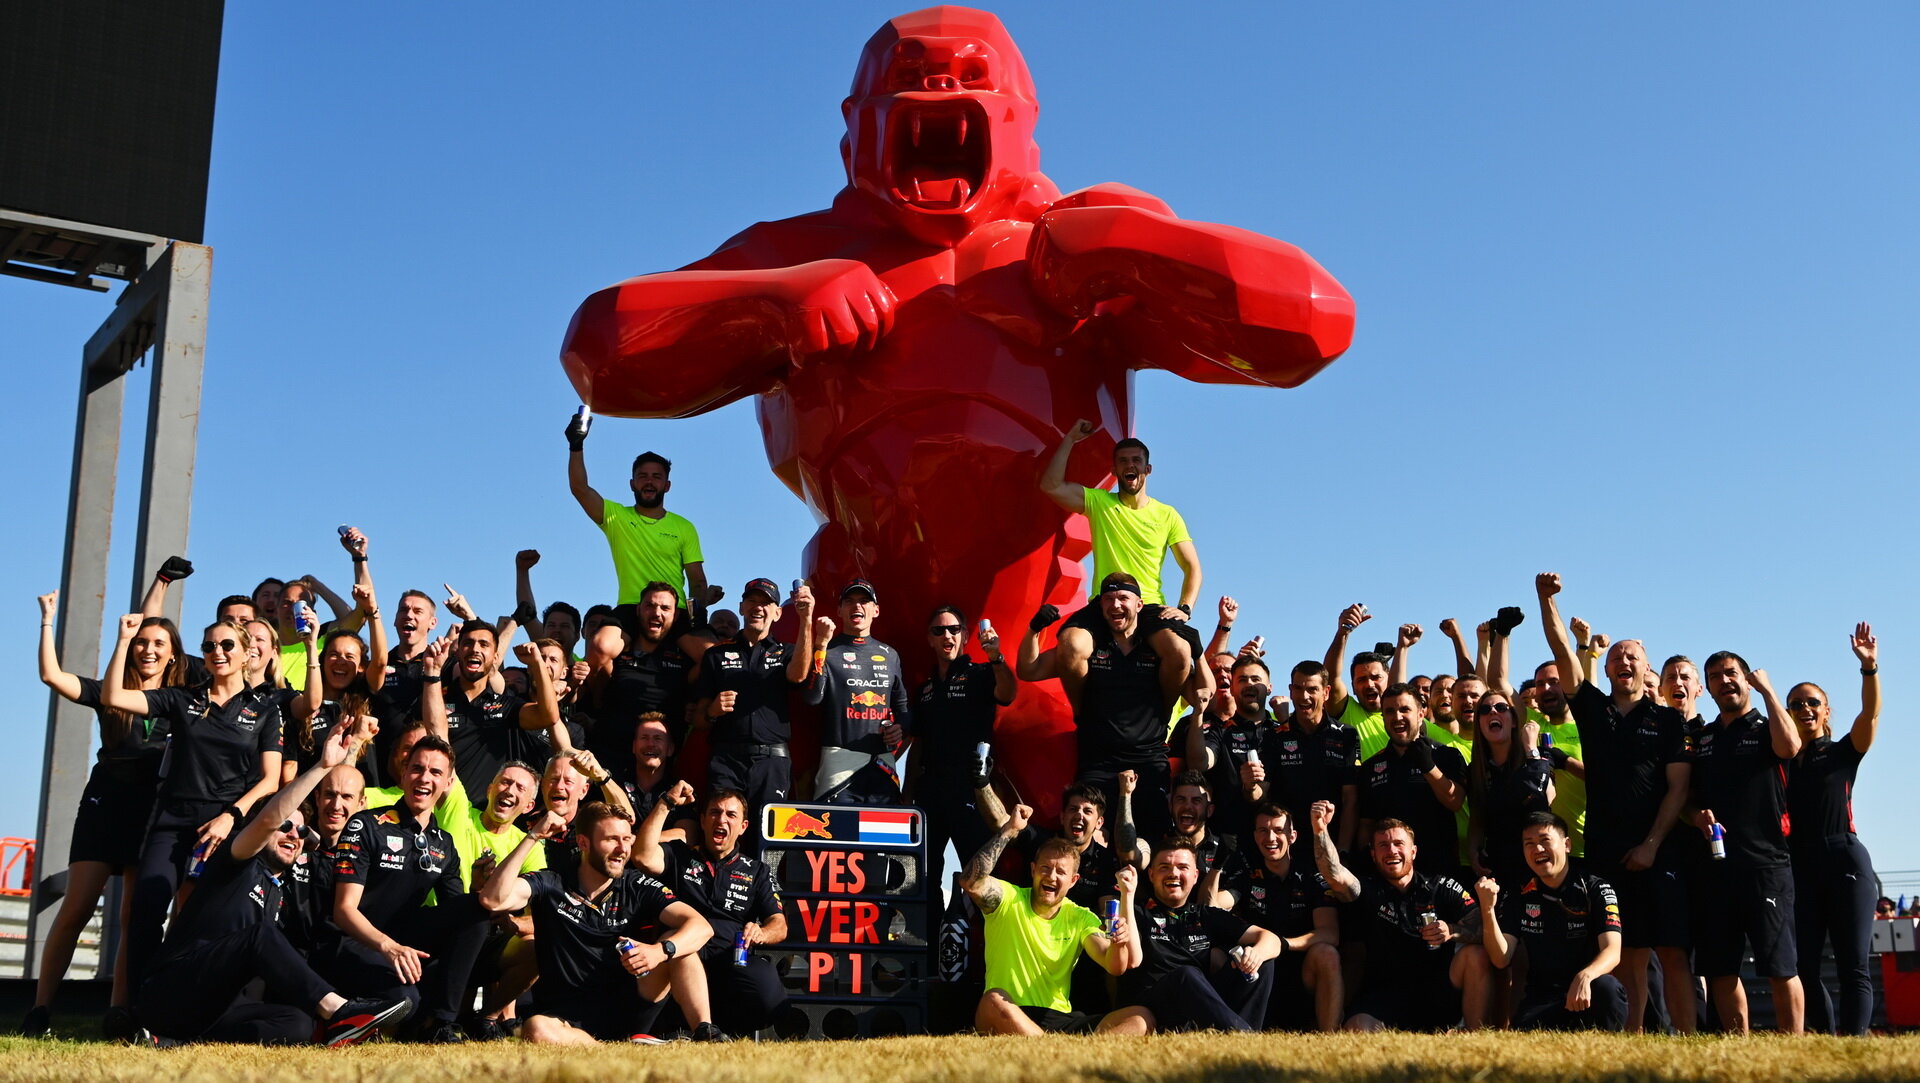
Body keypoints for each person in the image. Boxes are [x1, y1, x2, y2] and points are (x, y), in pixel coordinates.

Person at [133, 726, 410, 1046]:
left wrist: (308, 835)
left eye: (300, 831)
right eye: (285, 827)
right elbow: (268, 819)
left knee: (298, 1024)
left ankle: (172, 1041)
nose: (293, 833)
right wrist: (322, 766)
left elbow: (323, 836)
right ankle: (340, 1011)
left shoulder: (283, 886)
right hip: (172, 989)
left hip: (212, 1009)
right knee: (261, 935)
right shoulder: (236, 860)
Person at [1536, 572, 1697, 1034]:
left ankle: (1688, 1041)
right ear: (1605, 671)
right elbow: (1562, 650)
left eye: (1633, 656)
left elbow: (1679, 789)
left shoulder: (1668, 721)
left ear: (1646, 671)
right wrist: (1546, 601)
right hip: (1607, 851)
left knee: (1672, 951)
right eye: (1616, 657)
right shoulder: (1592, 709)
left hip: (1660, 850)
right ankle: (1635, 1038)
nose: (1624, 660)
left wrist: (1651, 843)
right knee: (1627, 951)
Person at [98, 614, 286, 1000]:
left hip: (226, 824)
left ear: (248, 652)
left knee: (210, 920)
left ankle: (198, 1008)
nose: (217, 652)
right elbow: (113, 697)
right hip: (172, 821)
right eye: (209, 647)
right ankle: (139, 1010)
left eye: (226, 645)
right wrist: (123, 641)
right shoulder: (183, 698)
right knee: (145, 912)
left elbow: (270, 779)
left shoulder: (265, 709)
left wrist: (230, 816)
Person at [28, 593, 187, 1037]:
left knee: (134, 916)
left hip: (153, 811)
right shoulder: (111, 690)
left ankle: (120, 1011)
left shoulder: (183, 699)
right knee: (77, 907)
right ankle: (40, 1009)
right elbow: (51, 676)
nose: (148, 650)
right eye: (142, 642)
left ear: (174, 653)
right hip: (105, 805)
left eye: (159, 643)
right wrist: (47, 621)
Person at [480, 801, 722, 1044]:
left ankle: (706, 1033)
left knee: (681, 947)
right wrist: (533, 836)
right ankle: (614, 1051)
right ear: (584, 843)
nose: (622, 849)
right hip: (566, 1016)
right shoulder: (552, 882)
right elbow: (493, 899)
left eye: (627, 839)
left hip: (629, 1007)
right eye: (611, 840)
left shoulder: (636, 884)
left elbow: (701, 926)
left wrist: (660, 951)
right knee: (536, 1028)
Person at [326, 735, 489, 1042]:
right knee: (407, 1000)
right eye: (417, 768)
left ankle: (441, 1024)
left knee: (476, 910)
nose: (424, 778)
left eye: (435, 772)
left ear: (448, 782)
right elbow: (343, 910)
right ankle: (352, 1016)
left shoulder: (444, 844)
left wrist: (481, 893)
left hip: (407, 946)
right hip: (355, 942)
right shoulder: (366, 825)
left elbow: (455, 920)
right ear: (403, 773)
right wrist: (388, 946)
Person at [1039, 425, 1209, 714]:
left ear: (1148, 468)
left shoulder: (1167, 514)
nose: (1130, 466)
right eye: (1123, 461)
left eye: (1136, 461)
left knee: (1180, 653)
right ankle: (1084, 716)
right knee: (1070, 645)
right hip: (1104, 604)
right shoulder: (1099, 502)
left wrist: (1185, 608)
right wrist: (1070, 440)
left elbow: (1193, 568)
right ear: (1115, 469)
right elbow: (1051, 486)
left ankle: (1160, 717)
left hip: (1149, 605)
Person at [1690, 651, 1805, 1034]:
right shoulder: (1704, 737)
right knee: (1720, 969)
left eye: (1731, 673)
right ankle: (1737, 1045)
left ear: (1746, 680)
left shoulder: (1765, 725)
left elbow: (1790, 747)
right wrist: (1696, 817)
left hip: (1765, 866)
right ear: (1707, 688)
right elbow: (1687, 800)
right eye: (1715, 677)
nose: (1725, 681)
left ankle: (1793, 1048)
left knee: (1780, 967)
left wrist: (1769, 692)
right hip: (1714, 869)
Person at [962, 802, 1142, 1035]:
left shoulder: (1079, 916)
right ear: (1033, 870)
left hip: (1058, 1019)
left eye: (1061, 872)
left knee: (1139, 1018)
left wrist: (1118, 942)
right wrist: (1010, 829)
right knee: (993, 999)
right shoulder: (1009, 898)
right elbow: (970, 881)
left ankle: (1053, 1050)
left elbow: (1114, 966)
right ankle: (1052, 1052)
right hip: (1009, 1011)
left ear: (1073, 880)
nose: (1052, 876)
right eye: (1045, 868)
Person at [1019, 573, 1175, 843]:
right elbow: (1028, 669)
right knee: (1090, 843)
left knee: (1153, 844)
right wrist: (1034, 629)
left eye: (1123, 598)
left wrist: (1194, 648)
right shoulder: (1092, 647)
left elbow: (1196, 684)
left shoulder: (1155, 648)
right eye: (1109, 599)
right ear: (1100, 606)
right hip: (1098, 762)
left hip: (1147, 761)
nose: (1116, 605)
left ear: (1139, 604)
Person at [1311, 803, 1491, 1031]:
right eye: (1383, 845)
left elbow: (1483, 930)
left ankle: (1474, 1036)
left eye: (1398, 844)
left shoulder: (1441, 886)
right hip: (1387, 992)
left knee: (1476, 954)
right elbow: (1334, 873)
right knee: (1357, 1027)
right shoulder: (1367, 888)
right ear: (1374, 855)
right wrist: (1320, 829)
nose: (1392, 851)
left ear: (1413, 851)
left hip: (1439, 990)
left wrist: (1453, 931)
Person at [634, 784, 788, 1036]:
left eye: (731, 815)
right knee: (682, 949)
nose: (722, 820)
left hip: (732, 959)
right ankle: (699, 1030)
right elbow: (642, 856)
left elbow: (779, 925)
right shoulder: (679, 855)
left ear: (743, 827)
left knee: (769, 999)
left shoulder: (757, 871)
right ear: (703, 821)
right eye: (715, 813)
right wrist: (666, 803)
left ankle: (727, 1030)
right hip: (682, 956)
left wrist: (762, 932)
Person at [1787, 623, 1880, 1035]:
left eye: (1811, 702)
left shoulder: (1843, 752)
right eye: (1795, 704)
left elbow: (1870, 714)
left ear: (1826, 710)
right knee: (1803, 966)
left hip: (1845, 860)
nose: (1804, 709)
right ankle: (1824, 1041)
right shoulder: (1781, 763)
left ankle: (1855, 1045)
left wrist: (1869, 668)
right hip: (1801, 866)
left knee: (1852, 965)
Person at [1110, 839, 1281, 1033]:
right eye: (1164, 867)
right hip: (1153, 1007)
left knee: (1263, 964)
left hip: (1200, 1005)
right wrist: (1128, 893)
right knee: (1186, 974)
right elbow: (1130, 961)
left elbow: (1271, 939)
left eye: (1182, 867)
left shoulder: (1205, 915)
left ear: (1195, 876)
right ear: (1151, 874)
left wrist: (1256, 954)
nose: (1174, 873)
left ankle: (1240, 1037)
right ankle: (1243, 1037)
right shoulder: (1135, 912)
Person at [1477, 813, 1626, 1031]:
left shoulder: (1595, 888)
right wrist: (1487, 909)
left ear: (1566, 845)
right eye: (1529, 844)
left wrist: (1586, 975)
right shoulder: (1519, 893)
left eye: (1545, 841)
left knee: (1608, 988)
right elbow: (1501, 958)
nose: (1537, 849)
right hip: (1544, 996)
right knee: (1525, 1041)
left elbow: (1613, 951)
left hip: (1589, 989)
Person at [693, 578, 817, 840]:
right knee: (720, 833)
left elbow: (798, 677)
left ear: (778, 613)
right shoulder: (716, 655)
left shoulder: (788, 652)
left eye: (766, 603)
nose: (758, 607)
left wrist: (806, 619)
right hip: (726, 758)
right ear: (741, 607)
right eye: (752, 601)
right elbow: (699, 718)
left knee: (771, 837)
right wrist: (712, 711)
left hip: (772, 761)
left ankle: (765, 882)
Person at [565, 421, 720, 623]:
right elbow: (580, 489)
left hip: (674, 610)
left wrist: (696, 616)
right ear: (632, 484)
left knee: (706, 653)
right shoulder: (616, 516)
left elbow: (697, 580)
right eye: (642, 476)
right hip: (631, 607)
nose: (649, 481)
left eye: (656, 477)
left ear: (667, 485)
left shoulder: (684, 526)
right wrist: (576, 445)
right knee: (602, 647)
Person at [913, 605, 1014, 889]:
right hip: (930, 792)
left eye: (954, 629)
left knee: (979, 872)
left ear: (965, 636)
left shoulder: (981, 673)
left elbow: (1008, 694)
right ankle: (931, 933)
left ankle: (977, 933)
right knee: (924, 875)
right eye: (939, 630)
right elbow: (917, 744)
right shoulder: (925, 689)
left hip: (970, 788)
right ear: (930, 639)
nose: (947, 635)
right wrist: (908, 793)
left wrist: (996, 656)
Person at [1226, 803, 1343, 1031]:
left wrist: (1283, 945)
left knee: (1327, 953)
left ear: (1292, 836)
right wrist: (1217, 869)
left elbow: (1330, 934)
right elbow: (1216, 904)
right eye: (1263, 830)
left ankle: (1330, 1037)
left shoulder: (1310, 874)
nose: (1270, 837)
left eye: (1279, 830)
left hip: (1302, 970)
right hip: (1258, 969)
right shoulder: (1248, 873)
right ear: (1255, 836)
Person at [808, 579, 912, 801]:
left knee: (884, 835)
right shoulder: (828, 649)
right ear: (840, 610)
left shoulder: (889, 654)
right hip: (839, 764)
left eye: (864, 601)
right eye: (850, 601)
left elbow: (902, 708)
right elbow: (812, 697)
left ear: (876, 610)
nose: (857, 606)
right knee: (835, 832)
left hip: (881, 764)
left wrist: (900, 728)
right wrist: (820, 647)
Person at [1246, 661, 1361, 855]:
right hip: (1287, 848)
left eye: (1312, 689)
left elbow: (1350, 798)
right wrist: (1250, 785)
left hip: (1331, 845)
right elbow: (1261, 795)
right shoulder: (1274, 736)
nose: (1304, 696)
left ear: (1326, 692)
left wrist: (1343, 851)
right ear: (1290, 691)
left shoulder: (1346, 735)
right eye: (1298, 688)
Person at [1357, 683, 1467, 877]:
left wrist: (1428, 766)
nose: (1397, 717)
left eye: (1404, 709)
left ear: (1421, 714)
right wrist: (1363, 860)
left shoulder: (1446, 755)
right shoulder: (1372, 766)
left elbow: (1455, 801)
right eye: (1390, 711)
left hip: (1439, 872)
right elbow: (1366, 823)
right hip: (1388, 874)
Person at [1465, 688, 1557, 890]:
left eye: (1501, 707)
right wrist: (1473, 852)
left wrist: (1531, 750)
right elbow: (1477, 817)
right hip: (1498, 867)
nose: (1492, 713)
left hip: (1538, 862)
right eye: (1485, 710)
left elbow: (1546, 795)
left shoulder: (1536, 755)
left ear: (1514, 720)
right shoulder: (1476, 770)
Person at [1183, 655, 1284, 836]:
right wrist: (1198, 712)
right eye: (1242, 680)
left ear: (1269, 688)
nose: (1249, 684)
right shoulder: (1220, 730)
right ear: (1233, 687)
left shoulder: (1282, 732)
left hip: (1274, 841)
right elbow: (1199, 763)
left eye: (1256, 679)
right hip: (1227, 837)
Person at [598, 582, 698, 760]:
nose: (657, 612)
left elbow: (711, 660)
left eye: (665, 608)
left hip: (662, 762)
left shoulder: (685, 660)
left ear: (675, 617)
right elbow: (598, 683)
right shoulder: (618, 656)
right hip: (612, 755)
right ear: (637, 610)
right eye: (650, 605)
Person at [1323, 603, 1391, 760]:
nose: (1369, 684)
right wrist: (1342, 633)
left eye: (1376, 677)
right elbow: (1330, 677)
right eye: (1361, 680)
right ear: (1352, 687)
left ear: (1389, 680)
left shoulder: (1406, 716)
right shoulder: (1348, 711)